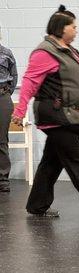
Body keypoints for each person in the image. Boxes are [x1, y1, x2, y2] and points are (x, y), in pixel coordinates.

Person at [12, 5, 79, 218]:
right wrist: (21, 110)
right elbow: (30, 82)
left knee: (51, 161)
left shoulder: (69, 50)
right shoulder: (45, 52)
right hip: (56, 115)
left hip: (69, 115)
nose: (76, 30)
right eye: (73, 26)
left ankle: (37, 205)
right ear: (62, 28)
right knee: (75, 159)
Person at [0, 29, 18, 193]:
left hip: (2, 98)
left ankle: (3, 180)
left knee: (1, 140)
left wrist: (5, 94)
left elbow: (14, 77)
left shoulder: (7, 53)